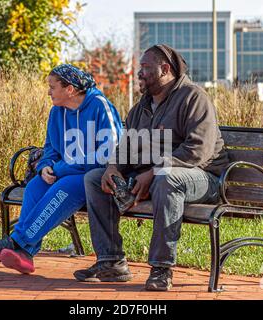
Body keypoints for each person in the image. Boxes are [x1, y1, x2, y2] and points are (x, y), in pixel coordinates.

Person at [73, 44, 229, 291]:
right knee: (94, 178)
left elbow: (199, 149)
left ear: (165, 69)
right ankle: (110, 262)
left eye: (145, 68)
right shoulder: (141, 107)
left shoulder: (193, 97)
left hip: (205, 178)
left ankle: (161, 268)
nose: (139, 73)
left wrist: (154, 172)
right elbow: (126, 146)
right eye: (140, 68)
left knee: (167, 178)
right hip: (158, 176)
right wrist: (112, 168)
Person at [0, 64, 123, 274]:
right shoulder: (57, 112)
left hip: (96, 177)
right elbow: (50, 147)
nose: (48, 91)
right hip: (63, 171)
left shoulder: (99, 106)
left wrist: (61, 168)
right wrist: (45, 166)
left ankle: (16, 242)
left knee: (64, 186)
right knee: (35, 187)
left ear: (70, 89)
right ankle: (25, 254)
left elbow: (112, 151)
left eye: (52, 87)